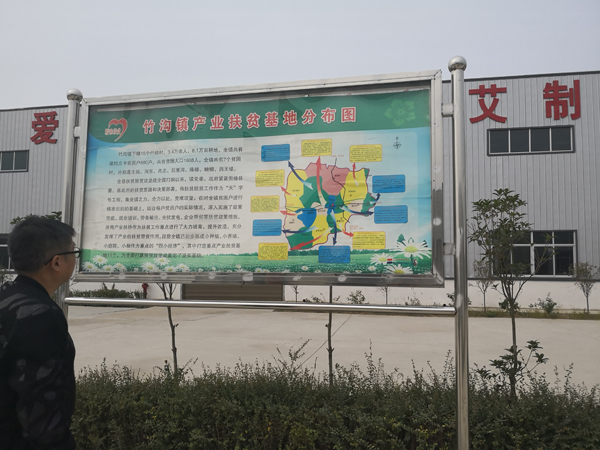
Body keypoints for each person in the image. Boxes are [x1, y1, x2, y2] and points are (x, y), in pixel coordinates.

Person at [0, 216, 78, 449]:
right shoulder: (40, 316)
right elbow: (41, 412)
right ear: (57, 262)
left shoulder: (7, 297)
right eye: (74, 252)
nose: (76, 259)